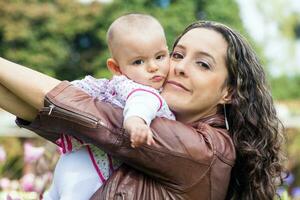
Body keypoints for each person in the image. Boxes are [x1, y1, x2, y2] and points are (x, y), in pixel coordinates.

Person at [0, 20, 284, 199]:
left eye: (203, 64)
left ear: (228, 92)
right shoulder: (157, 116)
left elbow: (89, 115)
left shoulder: (207, 150)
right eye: (177, 55)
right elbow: (64, 116)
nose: (180, 68)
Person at [43, 13, 174, 200]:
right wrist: (136, 121)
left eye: (160, 57)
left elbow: (77, 88)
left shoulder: (113, 87)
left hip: (76, 161)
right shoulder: (142, 90)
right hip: (90, 169)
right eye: (139, 61)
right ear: (116, 68)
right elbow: (141, 103)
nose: (153, 67)